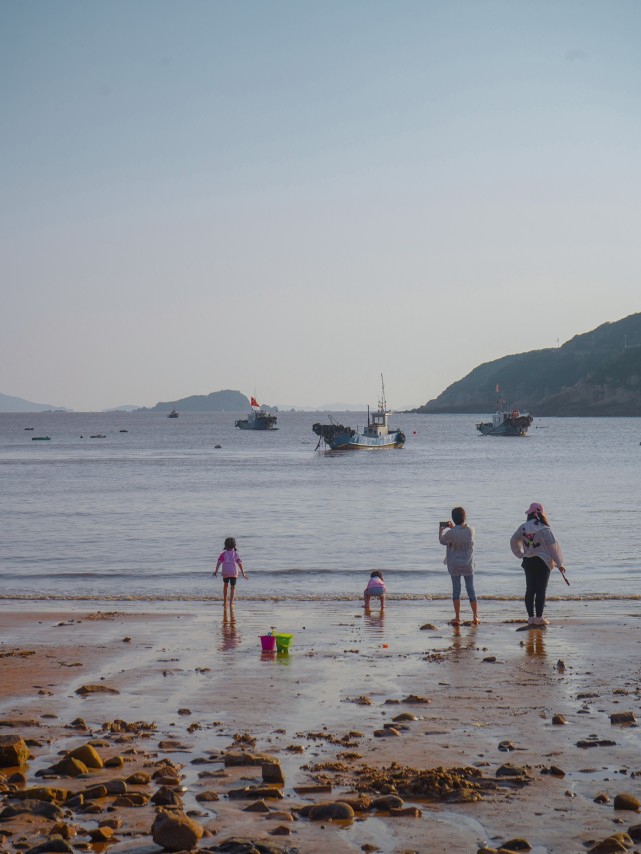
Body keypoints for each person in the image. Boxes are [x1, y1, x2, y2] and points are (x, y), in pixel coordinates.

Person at [510, 502, 565, 626]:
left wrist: (520, 554)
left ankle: (530, 618)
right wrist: (560, 564)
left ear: (530, 513)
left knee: (530, 590)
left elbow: (513, 540)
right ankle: (539, 618)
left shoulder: (523, 527)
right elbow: (553, 548)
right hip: (542, 562)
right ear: (540, 513)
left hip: (528, 561)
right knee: (541, 590)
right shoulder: (545, 529)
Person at [439, 507, 479, 626]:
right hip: (468, 564)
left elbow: (442, 541)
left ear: (453, 518)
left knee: (456, 590)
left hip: (454, 565)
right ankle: (475, 616)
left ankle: (457, 617)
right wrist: (454, 528)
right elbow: (462, 533)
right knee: (471, 589)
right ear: (464, 517)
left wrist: (441, 530)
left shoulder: (450, 533)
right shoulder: (471, 530)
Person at [213, 537, 248, 607]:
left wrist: (216, 571)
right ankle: (231, 603)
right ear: (234, 545)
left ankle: (225, 602)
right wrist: (243, 573)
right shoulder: (235, 554)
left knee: (225, 586)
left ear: (225, 545)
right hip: (233, 572)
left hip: (225, 572)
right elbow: (240, 564)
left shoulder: (223, 554)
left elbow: (219, 563)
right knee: (233, 587)